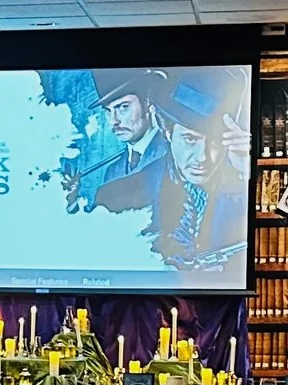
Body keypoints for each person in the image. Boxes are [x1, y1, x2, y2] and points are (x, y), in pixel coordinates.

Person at [142, 69, 251, 271]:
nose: (203, 157)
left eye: (215, 141)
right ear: (168, 132)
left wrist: (244, 171)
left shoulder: (242, 184)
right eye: (190, 139)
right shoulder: (120, 194)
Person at [69, 69, 172, 213]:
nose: (114, 121)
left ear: (149, 105)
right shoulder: (113, 171)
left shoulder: (171, 153)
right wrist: (73, 200)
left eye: (123, 107)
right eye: (108, 111)